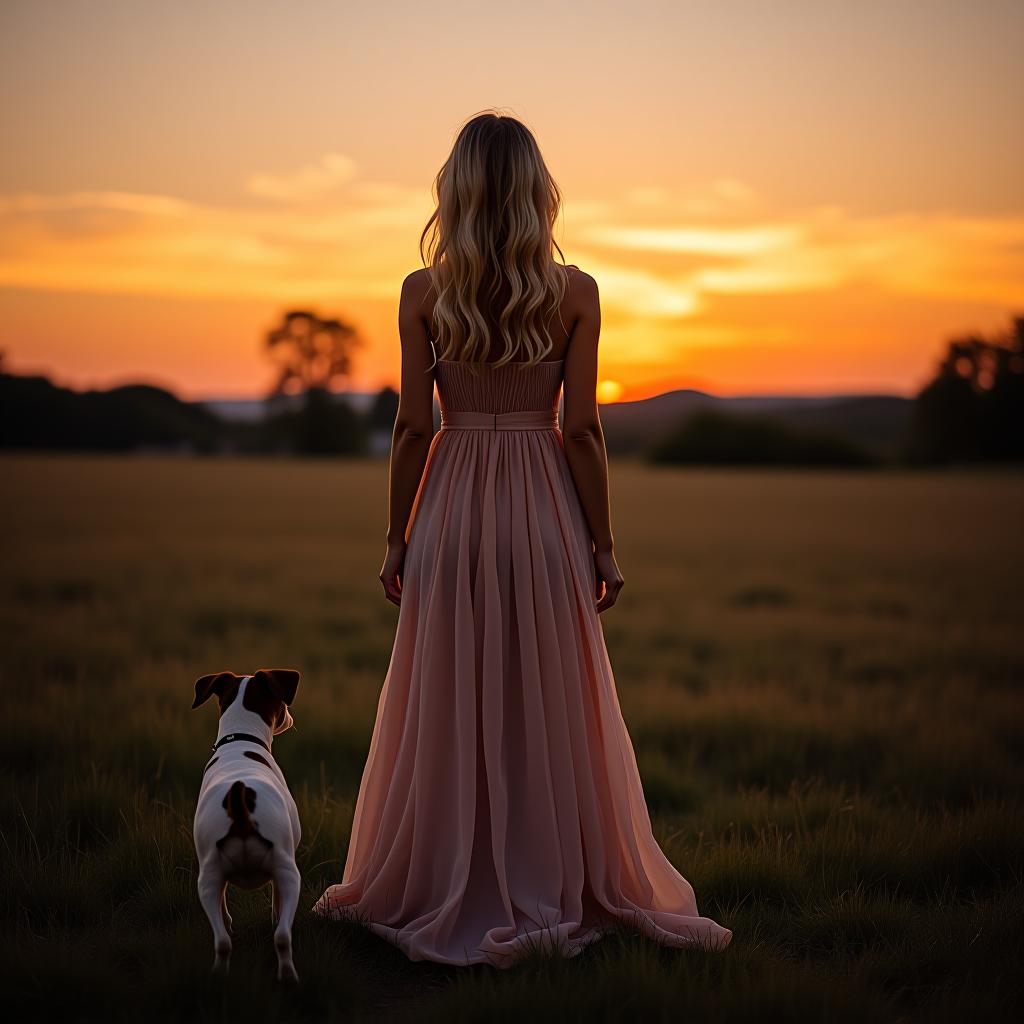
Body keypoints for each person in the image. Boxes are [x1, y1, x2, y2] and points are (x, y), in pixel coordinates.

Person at [312, 109, 733, 967]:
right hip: (542, 510)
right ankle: (555, 877)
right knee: (548, 697)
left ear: (454, 191)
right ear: (541, 192)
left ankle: (442, 878)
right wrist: (603, 545)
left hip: (452, 511)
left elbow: (409, 429)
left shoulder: (421, 293)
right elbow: (581, 429)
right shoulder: (575, 292)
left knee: (449, 692)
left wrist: (396, 539)